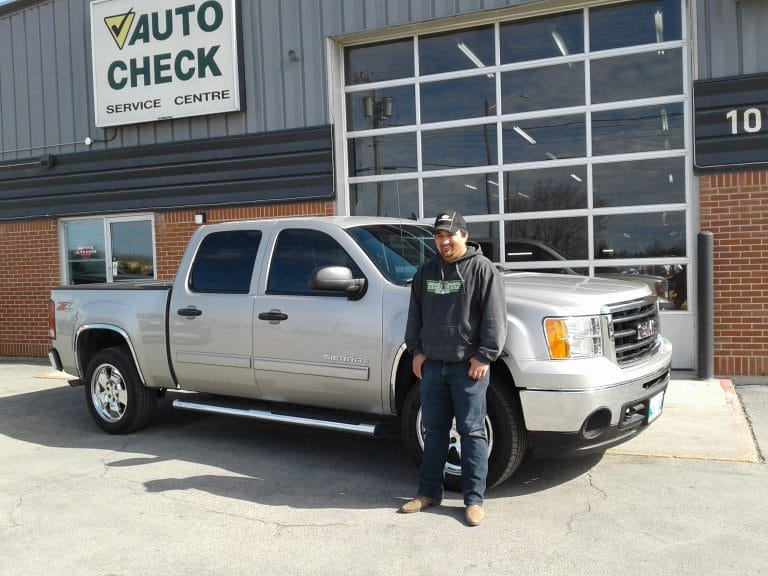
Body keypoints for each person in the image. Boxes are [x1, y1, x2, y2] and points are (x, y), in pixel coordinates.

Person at [400, 210, 507, 526]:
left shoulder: (482, 270)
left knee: (472, 433)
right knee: (433, 432)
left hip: (467, 369)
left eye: (450, 234)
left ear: (463, 235)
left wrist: (485, 356)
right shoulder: (426, 272)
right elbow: (414, 316)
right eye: (439, 235)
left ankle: (473, 500)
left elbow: (494, 318)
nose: (444, 241)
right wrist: (416, 352)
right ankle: (428, 492)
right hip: (433, 367)